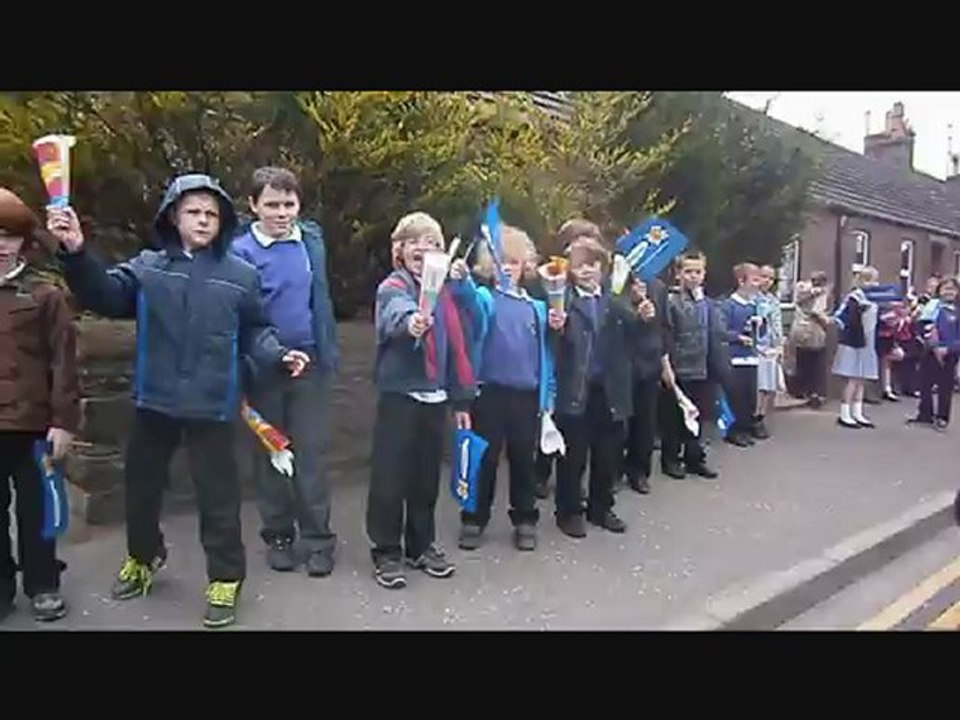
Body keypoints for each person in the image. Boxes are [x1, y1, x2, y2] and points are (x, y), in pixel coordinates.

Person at [47, 174, 310, 629]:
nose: (204, 220)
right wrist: (75, 252)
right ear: (174, 216)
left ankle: (226, 579)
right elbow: (105, 294)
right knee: (142, 492)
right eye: (194, 212)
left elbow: (256, 330)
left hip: (213, 404)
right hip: (156, 401)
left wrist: (278, 354)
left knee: (218, 500)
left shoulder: (241, 275)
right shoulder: (149, 267)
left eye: (212, 214)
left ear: (223, 221)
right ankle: (144, 558)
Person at [232, 167, 339, 577]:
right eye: (272, 205)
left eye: (289, 204)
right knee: (273, 452)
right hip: (263, 367)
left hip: (310, 362)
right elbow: (247, 316)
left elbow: (319, 300)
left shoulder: (310, 240)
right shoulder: (241, 251)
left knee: (311, 453)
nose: (282, 213)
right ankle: (278, 535)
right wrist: (273, 353)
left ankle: (319, 540)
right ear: (254, 205)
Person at [367, 212, 475, 589]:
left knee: (425, 478)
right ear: (399, 250)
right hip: (400, 396)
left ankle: (421, 544)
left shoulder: (449, 294)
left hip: (437, 396)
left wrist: (461, 402)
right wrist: (412, 321)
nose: (423, 249)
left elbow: (465, 341)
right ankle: (386, 551)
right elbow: (395, 314)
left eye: (432, 243)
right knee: (389, 478)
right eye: (415, 241)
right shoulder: (392, 286)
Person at [453, 225, 563, 552]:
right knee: (484, 459)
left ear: (524, 266)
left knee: (523, 460)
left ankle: (525, 518)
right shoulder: (486, 298)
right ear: (490, 266)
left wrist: (549, 394)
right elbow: (468, 299)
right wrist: (460, 278)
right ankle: (473, 518)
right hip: (489, 393)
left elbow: (547, 351)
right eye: (501, 263)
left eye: (514, 263)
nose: (507, 269)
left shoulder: (537, 307)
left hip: (527, 395)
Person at [0, 188, 78, 623]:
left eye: (8, 236)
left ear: (23, 241)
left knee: (39, 510)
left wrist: (64, 422)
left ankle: (43, 583)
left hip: (34, 425)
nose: (0, 245)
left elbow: (64, 363)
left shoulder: (46, 295)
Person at [553, 235, 634, 538]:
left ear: (603, 267)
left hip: (611, 389)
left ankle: (601, 507)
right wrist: (556, 327)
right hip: (576, 388)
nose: (586, 271)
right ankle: (568, 511)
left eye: (592, 264)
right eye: (579, 266)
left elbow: (635, 333)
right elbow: (556, 344)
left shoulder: (615, 300)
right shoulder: (563, 300)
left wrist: (643, 314)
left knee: (608, 454)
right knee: (573, 456)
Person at [659, 250, 724, 480]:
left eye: (698, 272)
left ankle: (694, 457)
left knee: (699, 415)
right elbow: (666, 333)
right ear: (678, 274)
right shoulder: (671, 301)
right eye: (688, 271)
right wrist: (667, 365)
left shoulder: (707, 302)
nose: (693, 276)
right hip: (680, 367)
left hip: (703, 366)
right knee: (675, 417)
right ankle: (671, 459)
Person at [620, 276, 664, 495]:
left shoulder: (658, 287)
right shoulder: (617, 285)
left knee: (645, 422)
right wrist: (633, 308)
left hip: (649, 364)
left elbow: (664, 327)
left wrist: (664, 360)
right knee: (619, 424)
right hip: (623, 363)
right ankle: (614, 471)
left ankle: (639, 471)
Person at [831, 265, 881, 429]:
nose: (874, 284)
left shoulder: (874, 299)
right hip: (854, 342)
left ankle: (858, 412)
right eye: (870, 280)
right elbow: (842, 318)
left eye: (874, 280)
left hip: (868, 342)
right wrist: (858, 311)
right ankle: (845, 414)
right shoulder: (854, 297)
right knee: (852, 379)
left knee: (861, 379)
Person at [910, 276, 960, 431]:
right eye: (946, 289)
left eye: (952, 289)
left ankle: (942, 418)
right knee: (925, 384)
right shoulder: (932, 306)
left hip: (950, 353)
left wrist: (949, 348)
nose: (949, 292)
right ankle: (925, 414)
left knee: (945, 387)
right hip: (930, 351)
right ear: (940, 290)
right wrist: (930, 340)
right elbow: (922, 326)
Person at [754, 264, 783, 438]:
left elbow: (777, 323)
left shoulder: (773, 300)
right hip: (756, 346)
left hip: (770, 347)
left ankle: (761, 416)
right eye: (764, 276)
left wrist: (779, 345)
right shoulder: (752, 298)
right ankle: (753, 417)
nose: (767, 281)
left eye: (771, 278)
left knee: (768, 386)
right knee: (758, 385)